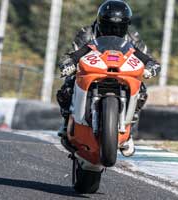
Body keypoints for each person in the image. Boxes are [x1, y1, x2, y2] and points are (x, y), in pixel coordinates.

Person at [57, 0, 161, 157]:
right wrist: (68, 63)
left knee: (142, 90)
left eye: (119, 27)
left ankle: (129, 129)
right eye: (109, 26)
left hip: (121, 72)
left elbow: (146, 57)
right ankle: (66, 124)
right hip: (93, 70)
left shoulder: (133, 37)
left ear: (126, 25)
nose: (114, 30)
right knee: (67, 85)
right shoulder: (87, 33)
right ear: (99, 23)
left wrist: (151, 66)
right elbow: (73, 52)